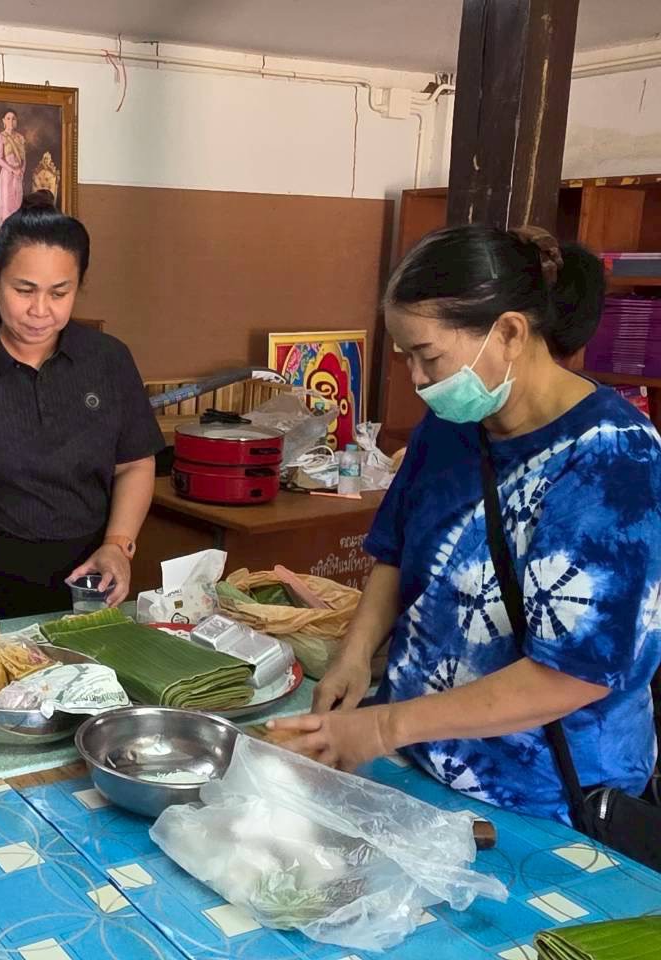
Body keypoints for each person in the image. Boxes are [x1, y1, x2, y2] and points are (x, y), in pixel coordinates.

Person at [269, 224, 661, 826]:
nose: (417, 379)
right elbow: (396, 553)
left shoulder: (614, 457)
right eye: (405, 357)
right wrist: (355, 655)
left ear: (509, 332)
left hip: (541, 796)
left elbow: (574, 676)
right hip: (421, 761)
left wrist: (384, 726)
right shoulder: (451, 427)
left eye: (428, 356)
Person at [0, 191, 164, 638]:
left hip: (86, 580)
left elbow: (136, 464)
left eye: (59, 293)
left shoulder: (108, 360)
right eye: (23, 290)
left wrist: (117, 546)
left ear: (78, 287)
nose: (40, 310)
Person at [0, 109, 25, 225]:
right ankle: (7, 231)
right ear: (3, 121)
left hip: (19, 175)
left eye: (13, 119)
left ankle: (16, 231)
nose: (11, 121)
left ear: (16, 121)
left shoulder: (20, 138)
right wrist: (13, 170)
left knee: (18, 204)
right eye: (8, 118)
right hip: (7, 174)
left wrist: (21, 172)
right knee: (7, 204)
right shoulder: (1, 136)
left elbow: (24, 159)